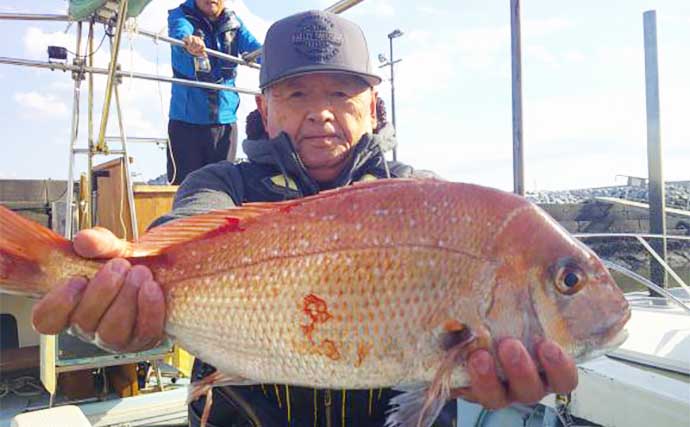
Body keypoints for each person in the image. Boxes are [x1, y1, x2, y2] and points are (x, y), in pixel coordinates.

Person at [31, 10, 578, 427]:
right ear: (265, 109)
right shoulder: (221, 185)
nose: (321, 111)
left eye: (342, 92)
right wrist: (123, 285)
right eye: (296, 93)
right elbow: (176, 237)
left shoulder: (427, 199)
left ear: (373, 105)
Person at [167, 0, 262, 184]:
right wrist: (189, 41)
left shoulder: (234, 24)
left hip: (225, 123)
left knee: (224, 188)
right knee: (184, 189)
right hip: (185, 125)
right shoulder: (180, 16)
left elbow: (258, 52)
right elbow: (180, 33)